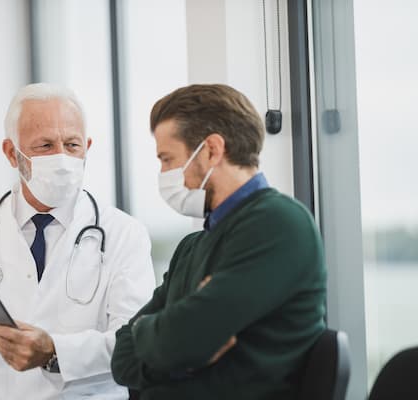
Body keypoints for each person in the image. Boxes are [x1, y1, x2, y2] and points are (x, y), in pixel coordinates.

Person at [0, 83, 156, 399]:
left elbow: (135, 344)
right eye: (45, 146)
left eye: (72, 145)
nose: (62, 158)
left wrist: (55, 351)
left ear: (88, 147)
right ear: (12, 153)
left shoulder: (124, 233)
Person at [111, 84, 327, 399]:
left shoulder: (278, 223)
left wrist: (150, 330)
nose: (163, 173)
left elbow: (180, 340)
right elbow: (122, 358)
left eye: (167, 159)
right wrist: (172, 342)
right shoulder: (192, 247)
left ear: (212, 150)